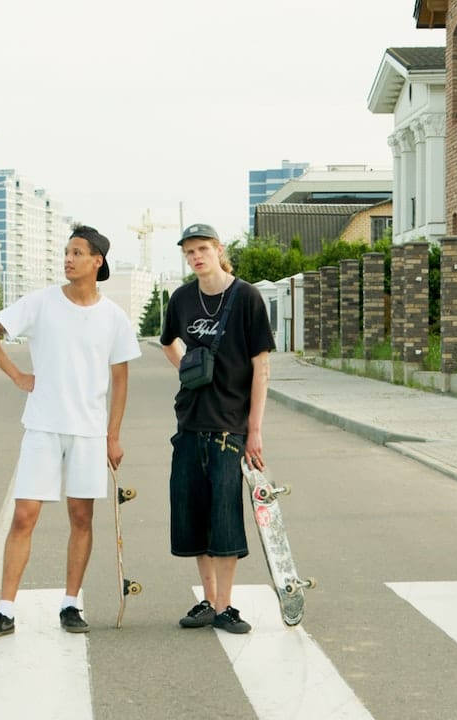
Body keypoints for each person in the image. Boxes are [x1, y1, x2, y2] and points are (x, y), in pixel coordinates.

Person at [0, 224, 142, 640]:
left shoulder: (114, 317)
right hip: (43, 426)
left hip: (87, 432)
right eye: (66, 252)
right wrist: (17, 376)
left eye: (78, 252)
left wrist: (113, 435)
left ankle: (71, 603)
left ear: (97, 261)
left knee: (82, 518)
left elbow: (120, 380)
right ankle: (4, 610)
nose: (68, 259)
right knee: (24, 516)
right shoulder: (42, 303)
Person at [159, 222, 274, 635]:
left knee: (225, 518)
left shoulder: (246, 298)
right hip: (190, 422)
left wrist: (254, 429)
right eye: (189, 252)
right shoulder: (183, 299)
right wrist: (187, 371)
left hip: (230, 426)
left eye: (203, 249)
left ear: (218, 249)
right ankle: (207, 601)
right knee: (194, 517)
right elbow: (167, 340)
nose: (196, 257)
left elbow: (261, 367)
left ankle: (226, 605)